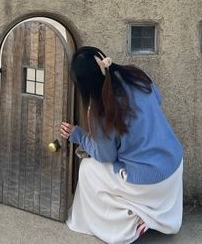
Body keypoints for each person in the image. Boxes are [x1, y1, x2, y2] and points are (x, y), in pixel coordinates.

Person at [61, 46, 183, 244]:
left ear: (84, 85)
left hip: (148, 180)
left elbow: (106, 156)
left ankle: (131, 223)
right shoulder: (136, 75)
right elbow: (157, 99)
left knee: (88, 169)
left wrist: (80, 136)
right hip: (173, 167)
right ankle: (154, 215)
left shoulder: (101, 108)